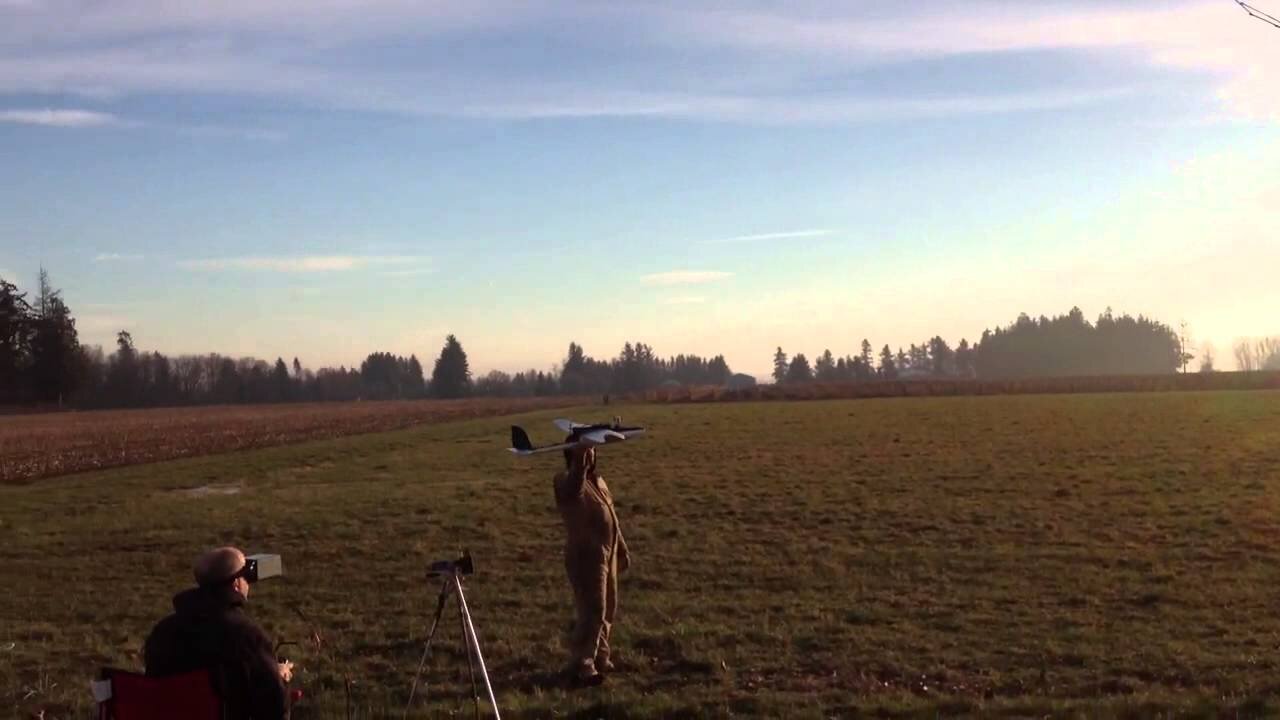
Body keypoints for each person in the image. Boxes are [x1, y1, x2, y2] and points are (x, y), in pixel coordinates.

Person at [143, 546, 292, 719]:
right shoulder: (246, 635)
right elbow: (274, 705)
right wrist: (280, 677)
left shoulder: (163, 631)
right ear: (236, 584)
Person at [553, 439, 631, 685]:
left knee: (608, 607)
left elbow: (612, 517)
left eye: (593, 452)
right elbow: (574, 488)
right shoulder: (565, 482)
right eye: (587, 453)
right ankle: (583, 662)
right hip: (586, 555)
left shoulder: (599, 481)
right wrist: (579, 463)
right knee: (592, 609)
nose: (591, 457)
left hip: (607, 552)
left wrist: (621, 549)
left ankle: (601, 656)